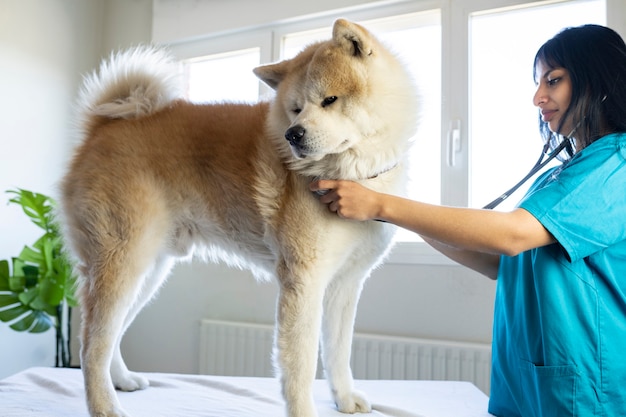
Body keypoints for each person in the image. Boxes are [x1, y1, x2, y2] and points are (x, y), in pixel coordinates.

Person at [310, 24, 626, 416]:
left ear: (599, 80)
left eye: (554, 80)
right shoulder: (562, 173)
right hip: (532, 380)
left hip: (588, 386)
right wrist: (399, 214)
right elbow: (499, 262)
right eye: (538, 82)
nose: (538, 97)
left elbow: (512, 235)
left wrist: (382, 205)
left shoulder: (617, 165)